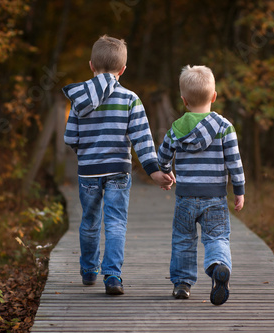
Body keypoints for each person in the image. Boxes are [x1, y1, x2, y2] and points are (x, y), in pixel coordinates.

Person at [63, 35, 175, 296]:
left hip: (88, 172)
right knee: (115, 223)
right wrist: (155, 170)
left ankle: (89, 271)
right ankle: (112, 276)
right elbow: (142, 140)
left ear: (91, 65)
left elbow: (70, 138)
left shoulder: (78, 99)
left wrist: (87, 152)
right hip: (118, 172)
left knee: (90, 220)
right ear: (123, 70)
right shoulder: (130, 99)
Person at [157, 65, 245, 305]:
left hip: (185, 197)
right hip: (215, 198)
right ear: (214, 97)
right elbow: (235, 163)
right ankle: (218, 266)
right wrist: (239, 191)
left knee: (183, 240)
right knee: (217, 238)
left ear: (184, 100)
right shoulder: (225, 127)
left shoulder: (176, 128)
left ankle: (183, 284)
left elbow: (162, 156)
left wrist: (166, 173)